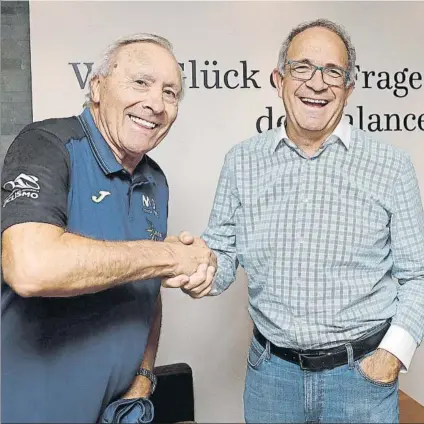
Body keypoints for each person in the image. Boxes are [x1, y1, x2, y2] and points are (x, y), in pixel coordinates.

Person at [165, 19, 424, 423]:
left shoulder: (392, 167)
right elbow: (222, 255)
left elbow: (418, 276)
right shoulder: (242, 161)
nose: (317, 83)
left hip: (360, 379)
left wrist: (393, 355)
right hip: (271, 378)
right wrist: (199, 269)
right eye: (302, 67)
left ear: (349, 87)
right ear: (279, 79)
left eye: (332, 72)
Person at [1, 33, 216, 424]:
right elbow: (30, 268)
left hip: (118, 413)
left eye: (171, 93)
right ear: (97, 88)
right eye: (140, 83)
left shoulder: (156, 180)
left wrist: (143, 378)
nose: (156, 103)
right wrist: (169, 255)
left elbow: (147, 290)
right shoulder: (46, 144)